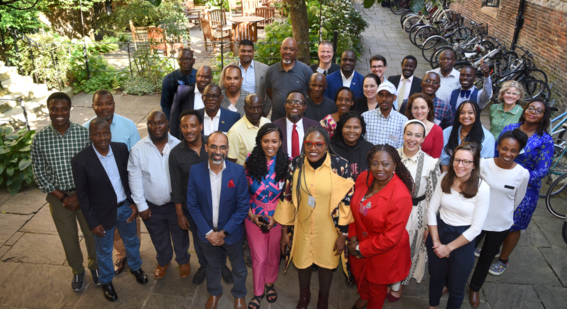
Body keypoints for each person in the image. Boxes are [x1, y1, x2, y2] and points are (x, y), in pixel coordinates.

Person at [275, 126, 355, 309]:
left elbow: (346, 202)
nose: (313, 148)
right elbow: (286, 198)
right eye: (308, 144)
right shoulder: (296, 163)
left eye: (318, 144)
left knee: (326, 264)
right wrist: (285, 232)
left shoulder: (340, 165)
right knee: (302, 263)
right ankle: (304, 296)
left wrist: (343, 236)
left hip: (328, 228)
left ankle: (323, 299)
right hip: (302, 226)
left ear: (326, 145)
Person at [71, 118, 148, 302]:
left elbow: (130, 176)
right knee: (104, 251)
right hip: (101, 215)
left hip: (125, 208)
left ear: (110, 134)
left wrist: (134, 202)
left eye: (105, 133)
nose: (102, 137)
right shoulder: (80, 160)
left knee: (131, 240)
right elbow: (83, 196)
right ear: (90, 136)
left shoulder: (121, 149)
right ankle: (106, 281)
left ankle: (136, 267)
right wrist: (92, 222)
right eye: (97, 134)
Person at [31, 92, 98, 292]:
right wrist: (63, 197)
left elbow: (92, 166)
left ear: (70, 109)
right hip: (58, 199)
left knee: (92, 234)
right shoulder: (40, 139)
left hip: (83, 196)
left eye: (63, 108)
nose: (59, 113)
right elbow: (39, 172)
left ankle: (96, 267)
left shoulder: (82, 134)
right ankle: (77, 270)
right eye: (54, 109)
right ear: (49, 110)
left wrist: (78, 195)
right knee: (68, 238)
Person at [489, 100, 553, 276]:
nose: (533, 112)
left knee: (514, 223)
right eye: (530, 108)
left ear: (543, 116)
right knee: (494, 214)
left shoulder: (545, 140)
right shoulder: (510, 129)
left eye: (538, 110)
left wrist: (520, 180)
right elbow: (497, 151)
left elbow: (543, 170)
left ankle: (503, 258)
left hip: (526, 186)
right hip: (500, 179)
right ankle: (492, 247)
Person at [169, 110, 233, 286]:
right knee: (200, 240)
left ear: (201, 126)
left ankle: (221, 266)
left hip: (218, 204)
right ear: (180, 128)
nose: (189, 130)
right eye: (185, 126)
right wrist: (180, 213)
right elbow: (175, 186)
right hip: (193, 209)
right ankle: (205, 266)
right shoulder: (176, 154)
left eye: (193, 125)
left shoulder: (214, 144)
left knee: (221, 236)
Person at [186, 131, 249, 309]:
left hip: (231, 233)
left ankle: (239, 295)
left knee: (238, 267)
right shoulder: (195, 171)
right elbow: (192, 205)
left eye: (222, 147)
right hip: (207, 234)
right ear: (206, 148)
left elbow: (243, 207)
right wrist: (209, 233)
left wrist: (223, 232)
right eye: (213, 146)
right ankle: (215, 292)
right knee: (212, 266)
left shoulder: (237, 172)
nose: (218, 151)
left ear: (228, 149)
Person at [347, 144, 414, 309]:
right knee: (358, 276)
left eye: (385, 164)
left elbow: (390, 237)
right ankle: (364, 297)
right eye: (374, 163)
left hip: (384, 252)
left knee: (376, 289)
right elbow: (355, 208)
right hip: (359, 240)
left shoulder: (401, 196)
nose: (379, 169)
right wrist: (353, 234)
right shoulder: (364, 177)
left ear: (395, 165)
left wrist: (360, 248)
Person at [83, 90, 142, 275]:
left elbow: (137, 159)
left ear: (114, 104)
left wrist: (135, 198)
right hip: (101, 195)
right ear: (93, 106)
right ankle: (121, 256)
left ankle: (134, 260)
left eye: (108, 103)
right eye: (99, 104)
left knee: (131, 230)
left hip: (125, 191)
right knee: (109, 233)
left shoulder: (128, 125)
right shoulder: (84, 129)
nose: (104, 108)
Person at [128, 111, 192, 280]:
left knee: (180, 233)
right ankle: (163, 261)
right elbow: (134, 180)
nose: (157, 126)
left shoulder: (179, 145)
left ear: (168, 124)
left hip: (175, 205)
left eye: (161, 122)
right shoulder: (137, 150)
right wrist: (141, 206)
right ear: (147, 125)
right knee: (158, 235)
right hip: (152, 206)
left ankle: (183, 260)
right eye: (152, 123)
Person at [468, 129, 529, 307]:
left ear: (519, 152)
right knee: (462, 255)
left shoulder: (522, 173)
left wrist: (500, 212)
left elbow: (517, 200)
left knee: (486, 258)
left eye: (513, 151)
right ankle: (450, 283)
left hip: (501, 224)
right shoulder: (483, 164)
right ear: (498, 147)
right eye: (504, 148)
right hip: (476, 220)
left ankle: (475, 288)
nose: (508, 154)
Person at [426, 142, 490, 309]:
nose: (460, 165)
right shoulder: (445, 177)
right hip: (439, 232)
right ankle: (432, 306)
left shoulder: (482, 188)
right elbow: (432, 210)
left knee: (456, 286)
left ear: (474, 164)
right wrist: (436, 242)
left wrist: (448, 248)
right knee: (436, 277)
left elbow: (476, 228)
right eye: (457, 160)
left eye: (466, 162)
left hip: (463, 238)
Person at [390, 120, 440, 301]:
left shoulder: (431, 163)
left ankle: (398, 284)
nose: (412, 139)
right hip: (390, 210)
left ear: (423, 138)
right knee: (388, 246)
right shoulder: (390, 155)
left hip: (415, 212)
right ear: (403, 134)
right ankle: (384, 278)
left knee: (408, 248)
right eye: (409, 134)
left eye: (418, 135)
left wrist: (428, 226)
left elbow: (434, 197)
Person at [244, 124, 288, 309]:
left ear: (280, 142)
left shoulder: (287, 163)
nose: (270, 145)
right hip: (254, 216)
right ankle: (258, 291)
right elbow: (242, 193)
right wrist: (252, 216)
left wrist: (276, 219)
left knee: (273, 255)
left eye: (274, 141)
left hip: (278, 217)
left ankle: (270, 283)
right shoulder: (250, 161)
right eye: (266, 141)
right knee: (259, 257)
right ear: (259, 141)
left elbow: (289, 197)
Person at [265, 37, 313, 121]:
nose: (288, 52)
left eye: (292, 49)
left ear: (297, 51)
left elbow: (311, 94)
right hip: (277, 119)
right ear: (280, 49)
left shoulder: (306, 70)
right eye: (285, 48)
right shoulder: (271, 70)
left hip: (299, 120)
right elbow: (270, 92)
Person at [219, 40, 271, 116]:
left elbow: (270, 93)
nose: (246, 54)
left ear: (253, 52)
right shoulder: (229, 69)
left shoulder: (264, 69)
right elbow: (221, 90)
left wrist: (265, 111)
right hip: (233, 110)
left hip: (256, 112)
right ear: (238, 52)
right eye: (243, 51)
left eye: (249, 51)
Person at [440, 100, 495, 172]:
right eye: (462, 112)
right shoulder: (447, 132)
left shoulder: (488, 138)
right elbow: (444, 160)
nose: (466, 116)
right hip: (450, 175)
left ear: (477, 114)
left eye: (470, 112)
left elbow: (484, 166)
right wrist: (446, 178)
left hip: (474, 177)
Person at [273, 90, 320, 158]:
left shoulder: (315, 126)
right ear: (285, 106)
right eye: (291, 102)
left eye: (300, 103)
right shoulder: (274, 127)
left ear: (305, 108)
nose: (295, 105)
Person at [170, 65, 213, 138]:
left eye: (206, 77)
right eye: (200, 76)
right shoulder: (183, 91)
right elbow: (174, 118)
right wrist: (175, 141)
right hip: (187, 138)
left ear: (211, 78)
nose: (203, 79)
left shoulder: (216, 94)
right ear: (196, 76)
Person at [228, 94, 272, 165]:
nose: (256, 111)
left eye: (259, 107)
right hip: (246, 175)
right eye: (252, 108)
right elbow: (231, 163)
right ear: (245, 108)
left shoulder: (267, 123)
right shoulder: (235, 132)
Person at [362, 81, 408, 148]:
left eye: (388, 95)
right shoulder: (365, 117)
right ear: (377, 97)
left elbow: (401, 146)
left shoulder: (403, 121)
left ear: (394, 98)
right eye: (381, 95)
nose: (384, 99)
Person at [330, 112, 374, 180]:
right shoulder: (330, 148)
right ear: (341, 128)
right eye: (348, 127)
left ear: (362, 128)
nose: (351, 131)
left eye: (356, 127)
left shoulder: (370, 149)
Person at [404, 93, 444, 158]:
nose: (419, 111)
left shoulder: (437, 130)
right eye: (415, 108)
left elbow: (435, 159)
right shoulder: (404, 126)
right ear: (411, 110)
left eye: (423, 107)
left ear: (428, 109)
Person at [161, 48, 196, 120]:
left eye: (188, 59)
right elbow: (165, 105)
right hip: (176, 119)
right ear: (178, 61)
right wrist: (169, 122)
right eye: (182, 59)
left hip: (196, 118)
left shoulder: (200, 78)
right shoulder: (168, 79)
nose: (185, 61)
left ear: (193, 61)